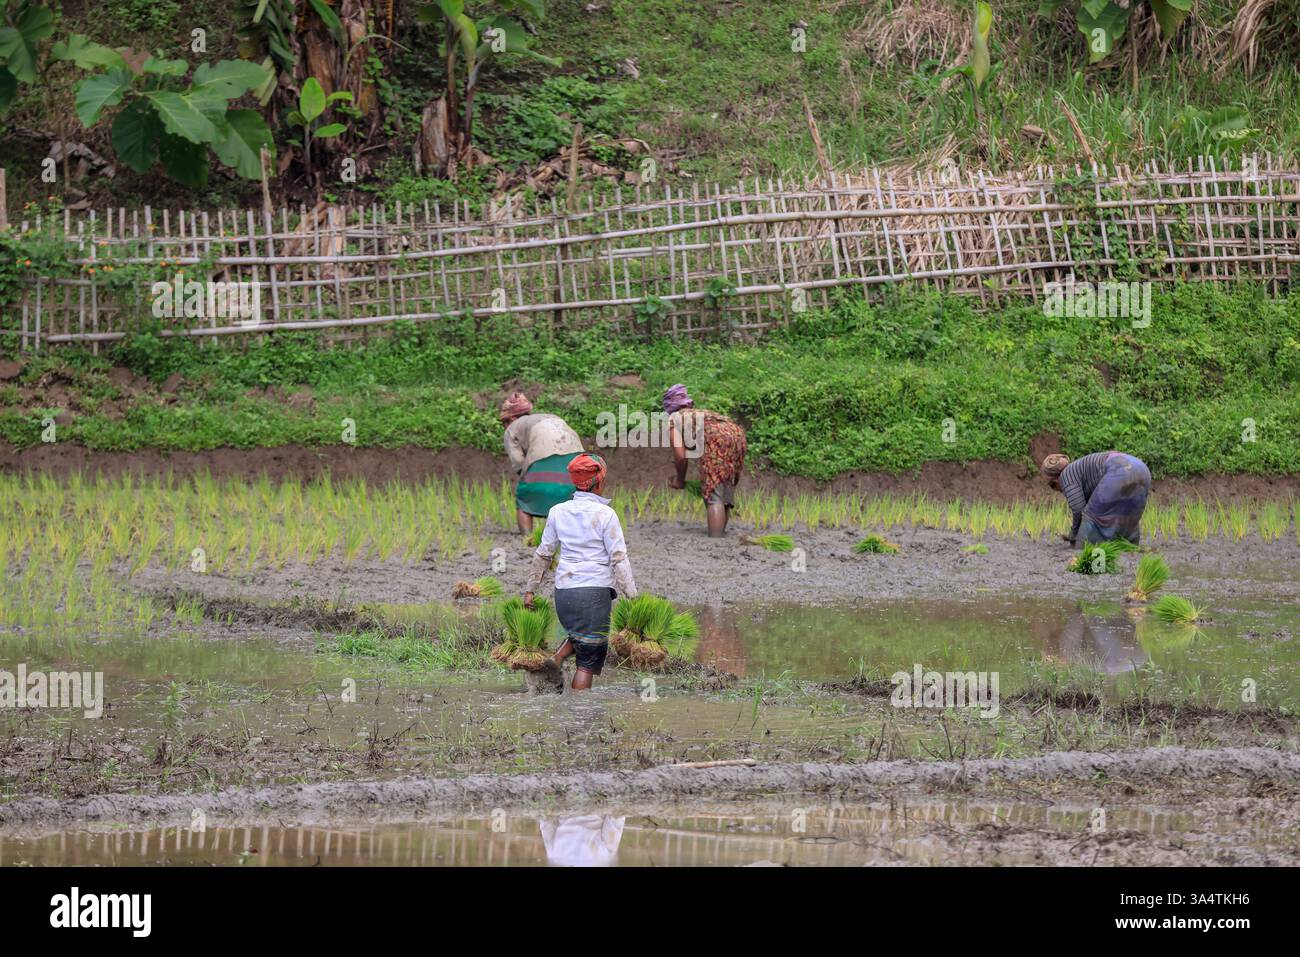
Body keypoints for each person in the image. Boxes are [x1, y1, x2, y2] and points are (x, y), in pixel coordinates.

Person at [524, 453, 637, 691]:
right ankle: (579, 714)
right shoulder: (606, 515)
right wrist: (632, 596)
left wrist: (530, 591)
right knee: (587, 662)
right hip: (594, 594)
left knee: (579, 635)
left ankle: (553, 662)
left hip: (564, 593)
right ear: (599, 481)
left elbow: (544, 553)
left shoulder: (557, 511)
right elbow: (619, 559)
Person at [662, 384, 747, 537]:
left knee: (713, 495)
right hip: (736, 433)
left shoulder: (674, 419)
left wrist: (680, 480)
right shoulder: (701, 414)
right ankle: (720, 534)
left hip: (717, 438)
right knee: (723, 488)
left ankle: (715, 540)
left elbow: (680, 456)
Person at [500, 392, 585, 535]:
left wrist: (529, 480)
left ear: (512, 418)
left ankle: (527, 538)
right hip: (577, 454)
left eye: (504, 422)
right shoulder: (551, 417)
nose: (504, 426)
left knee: (525, 497)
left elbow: (518, 462)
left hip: (543, 452)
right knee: (570, 497)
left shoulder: (512, 428)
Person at [1041, 451, 1151, 546]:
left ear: (1056, 480)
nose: (1059, 490)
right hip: (1141, 468)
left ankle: (1084, 547)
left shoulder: (1066, 475)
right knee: (1127, 514)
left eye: (1054, 486)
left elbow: (1078, 508)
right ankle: (1129, 545)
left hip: (1119, 471)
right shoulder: (1080, 468)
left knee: (1090, 522)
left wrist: (1074, 534)